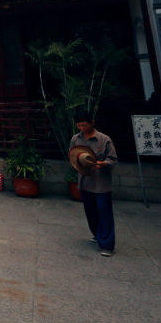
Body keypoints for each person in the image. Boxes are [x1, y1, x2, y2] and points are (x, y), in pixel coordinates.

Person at [70, 110, 118, 257]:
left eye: (85, 125)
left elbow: (113, 160)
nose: (82, 128)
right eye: (79, 126)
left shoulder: (104, 139)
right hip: (84, 181)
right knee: (90, 212)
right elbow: (73, 156)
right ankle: (98, 234)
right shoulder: (75, 139)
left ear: (92, 123)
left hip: (101, 182)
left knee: (104, 212)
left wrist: (103, 164)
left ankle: (107, 244)